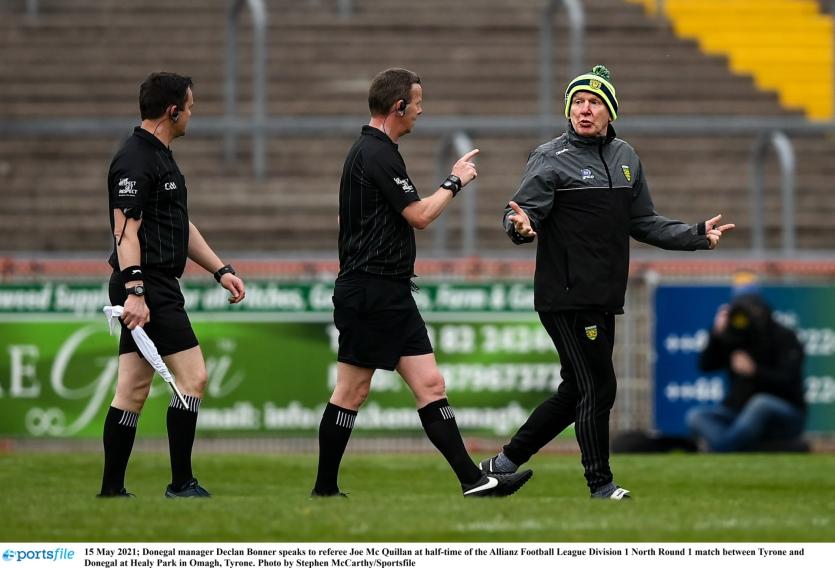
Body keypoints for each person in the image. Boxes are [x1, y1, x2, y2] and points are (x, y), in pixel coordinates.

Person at [480, 65, 734, 500]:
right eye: (578, 101)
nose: (585, 108)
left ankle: (499, 466)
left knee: (579, 387)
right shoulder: (550, 157)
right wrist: (518, 226)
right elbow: (523, 212)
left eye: (594, 102)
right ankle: (601, 484)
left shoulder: (626, 158)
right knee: (598, 387)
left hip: (603, 295)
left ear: (610, 112)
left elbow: (645, 222)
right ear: (568, 109)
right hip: (565, 294)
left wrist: (695, 236)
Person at [312, 67, 533, 498]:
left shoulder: (371, 152)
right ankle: (324, 489)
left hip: (388, 291)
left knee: (429, 385)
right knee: (351, 392)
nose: (420, 110)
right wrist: (455, 181)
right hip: (372, 292)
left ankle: (473, 481)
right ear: (398, 107)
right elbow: (420, 216)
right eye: (416, 103)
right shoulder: (376, 153)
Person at [99, 72, 246, 498]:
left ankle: (112, 492)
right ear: (172, 110)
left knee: (132, 389)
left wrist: (220, 270)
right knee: (194, 378)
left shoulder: (161, 156)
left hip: (153, 284)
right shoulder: (135, 159)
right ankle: (181, 482)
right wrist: (136, 292)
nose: (192, 115)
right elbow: (124, 232)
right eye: (191, 107)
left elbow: (178, 225)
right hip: (149, 285)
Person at [686, 286, 806, 452]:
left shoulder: (784, 336)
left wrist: (754, 371)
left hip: (785, 414)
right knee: (696, 416)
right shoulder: (732, 336)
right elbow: (705, 366)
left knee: (760, 403)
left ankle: (724, 448)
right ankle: (739, 446)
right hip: (738, 414)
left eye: (751, 306)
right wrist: (715, 334)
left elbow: (788, 379)